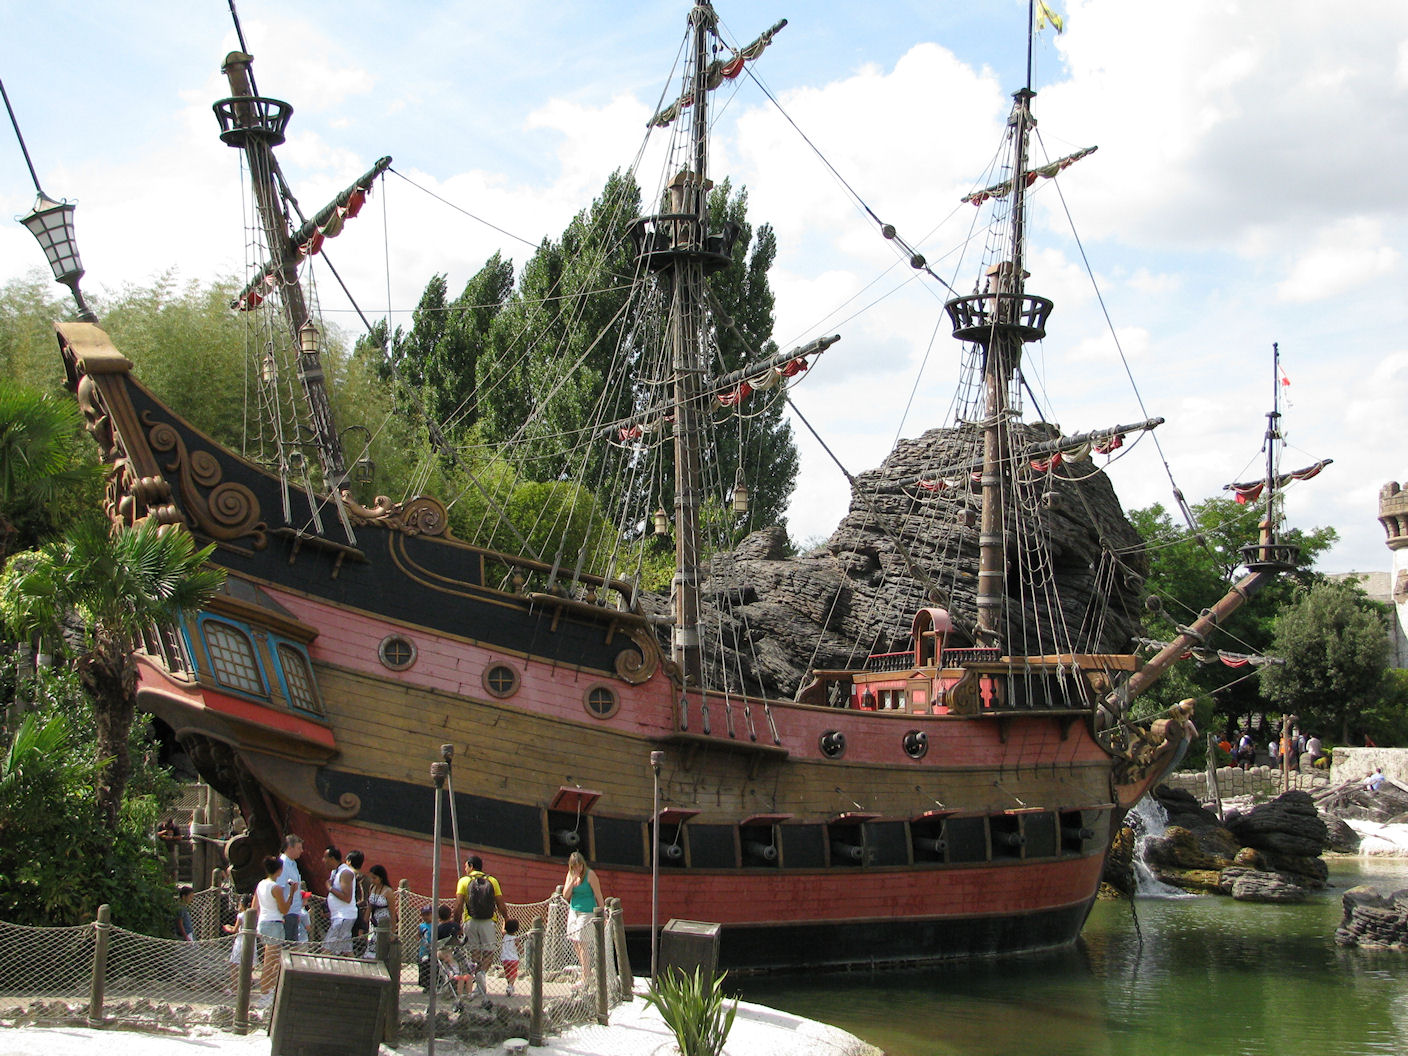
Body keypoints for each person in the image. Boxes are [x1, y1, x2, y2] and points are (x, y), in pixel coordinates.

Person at [454, 854, 507, 1008]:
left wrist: (456, 924)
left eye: (466, 866)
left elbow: (458, 905)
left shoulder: (463, 881)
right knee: (489, 952)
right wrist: (506, 919)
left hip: (470, 921)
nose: (465, 869)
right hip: (488, 922)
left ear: (471, 866)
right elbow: (500, 903)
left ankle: (478, 981)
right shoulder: (492, 880)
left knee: (475, 953)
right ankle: (482, 975)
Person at [562, 851, 604, 995]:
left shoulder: (590, 875)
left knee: (583, 943)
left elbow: (598, 894)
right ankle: (587, 971)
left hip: (587, 912)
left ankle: (585, 978)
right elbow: (565, 895)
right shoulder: (570, 875)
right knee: (575, 942)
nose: (578, 869)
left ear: (583, 864)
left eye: (579, 866)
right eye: (575, 867)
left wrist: (602, 912)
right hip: (574, 911)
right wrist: (572, 880)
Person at [256, 854, 293, 1006]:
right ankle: (265, 993)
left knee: (272, 960)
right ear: (279, 870)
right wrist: (292, 893)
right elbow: (284, 909)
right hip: (274, 923)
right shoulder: (275, 887)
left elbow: (256, 906)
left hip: (264, 922)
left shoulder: (261, 884)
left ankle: (268, 990)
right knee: (270, 961)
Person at [323, 846, 357, 955]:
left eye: (325, 858)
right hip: (338, 916)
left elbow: (347, 898)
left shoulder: (345, 873)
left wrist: (330, 888)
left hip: (343, 917)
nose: (323, 860)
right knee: (347, 951)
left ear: (332, 859)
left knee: (326, 949)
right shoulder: (335, 872)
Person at [277, 834, 305, 943]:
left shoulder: (293, 864)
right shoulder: (283, 865)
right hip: (286, 913)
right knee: (286, 945)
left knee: (292, 945)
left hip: (294, 911)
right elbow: (278, 889)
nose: (301, 851)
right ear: (289, 848)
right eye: (299, 848)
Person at [223, 893, 253, 994]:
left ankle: (234, 988)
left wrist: (227, 927)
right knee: (248, 965)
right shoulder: (254, 915)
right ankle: (245, 988)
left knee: (234, 964)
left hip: (241, 940)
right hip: (250, 940)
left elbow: (235, 930)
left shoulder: (241, 915)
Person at [364, 864, 395, 960]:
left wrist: (393, 932)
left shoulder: (388, 891)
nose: (372, 880)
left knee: (379, 947)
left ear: (381, 878)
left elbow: (392, 913)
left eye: (374, 878)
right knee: (370, 944)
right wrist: (364, 923)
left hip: (384, 922)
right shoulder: (372, 888)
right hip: (373, 921)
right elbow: (369, 906)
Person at [501, 919, 520, 998]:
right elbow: (519, 948)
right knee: (513, 974)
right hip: (513, 959)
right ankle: (510, 986)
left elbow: (502, 930)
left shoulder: (504, 936)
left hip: (505, 959)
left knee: (507, 973)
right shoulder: (516, 938)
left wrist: (504, 920)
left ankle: (509, 986)